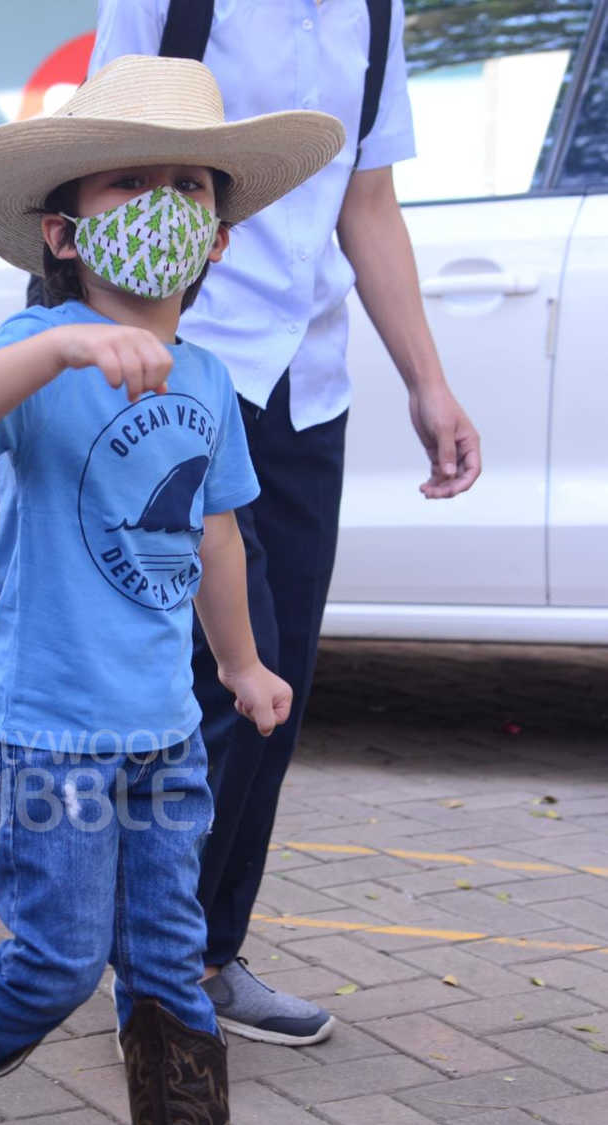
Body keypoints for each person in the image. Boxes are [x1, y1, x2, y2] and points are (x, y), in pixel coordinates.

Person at [0, 54, 343, 1125]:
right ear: (62, 233)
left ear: (217, 238)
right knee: (57, 958)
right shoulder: (32, 371)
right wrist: (59, 344)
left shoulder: (207, 380)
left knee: (169, 960)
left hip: (163, 731)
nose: (166, 205)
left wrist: (245, 662)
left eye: (191, 186)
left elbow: (216, 535)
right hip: (51, 733)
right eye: (131, 183)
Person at [89, 0, 483, 1046]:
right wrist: (108, 356)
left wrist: (426, 384)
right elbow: (100, 160)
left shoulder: (374, 12)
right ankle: (154, 962)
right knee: (224, 677)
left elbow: (368, 200)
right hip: (184, 364)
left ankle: (207, 953)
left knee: (277, 691)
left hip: (307, 385)